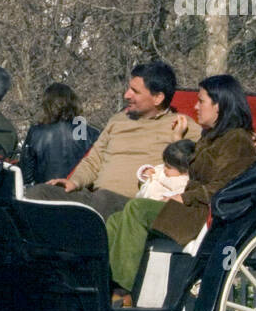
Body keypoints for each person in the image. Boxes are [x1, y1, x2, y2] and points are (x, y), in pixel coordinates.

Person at [105, 74, 256, 305]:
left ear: (219, 105)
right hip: (190, 208)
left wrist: (185, 196)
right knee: (116, 220)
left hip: (202, 215)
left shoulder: (236, 140)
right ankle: (105, 282)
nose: (196, 107)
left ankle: (122, 291)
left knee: (137, 208)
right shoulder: (212, 137)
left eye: (201, 101)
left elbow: (226, 186)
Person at [24, 60, 199, 218]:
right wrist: (73, 181)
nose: (126, 95)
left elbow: (200, 168)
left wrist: (177, 141)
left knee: (102, 200)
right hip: (94, 198)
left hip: (133, 204)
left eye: (135, 91)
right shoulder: (118, 120)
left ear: (158, 98)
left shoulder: (182, 125)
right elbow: (94, 160)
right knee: (38, 194)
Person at [19, 82, 100, 185]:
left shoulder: (36, 133)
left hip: (45, 195)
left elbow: (26, 176)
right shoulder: (91, 134)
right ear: (74, 103)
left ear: (47, 106)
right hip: (79, 195)